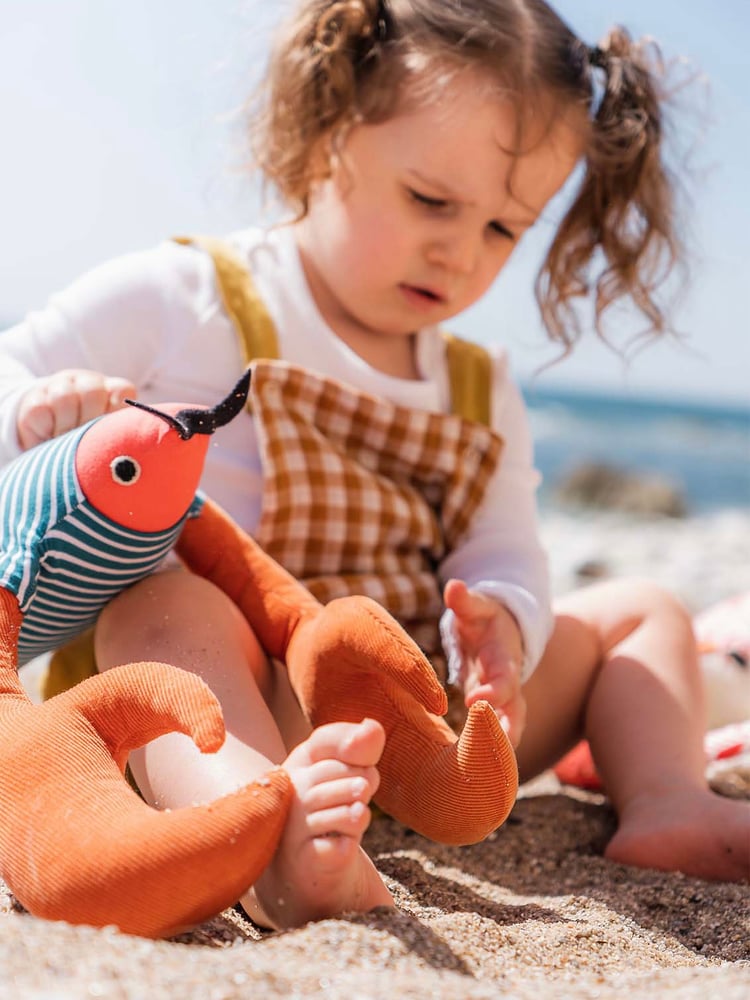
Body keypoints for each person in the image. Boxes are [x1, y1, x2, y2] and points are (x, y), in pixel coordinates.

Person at [0, 0, 747, 929]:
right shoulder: (185, 296)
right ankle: (258, 827)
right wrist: (41, 410)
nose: (460, 251)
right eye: (432, 201)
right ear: (327, 128)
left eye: (504, 229)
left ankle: (668, 800)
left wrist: (504, 628)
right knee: (166, 604)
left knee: (646, 611)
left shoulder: (481, 382)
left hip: (414, 711)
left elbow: (507, 544)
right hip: (237, 700)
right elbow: (12, 371)